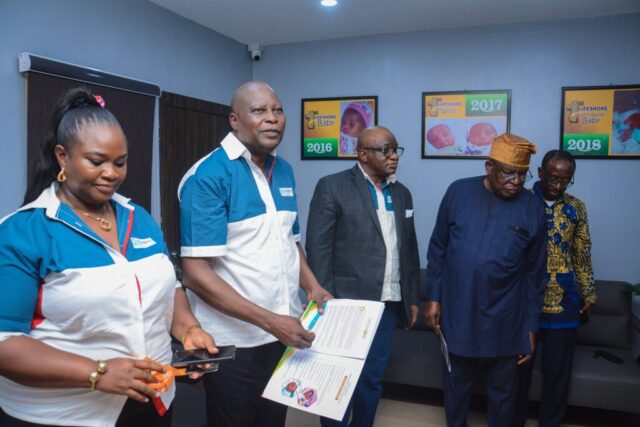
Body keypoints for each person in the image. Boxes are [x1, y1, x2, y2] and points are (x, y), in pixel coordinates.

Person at [0, 87, 216, 427]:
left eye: (120, 162)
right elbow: (5, 342)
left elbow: (168, 288)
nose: (112, 173)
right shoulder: (23, 231)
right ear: (62, 156)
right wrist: (96, 372)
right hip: (65, 415)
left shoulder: (139, 217)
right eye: (96, 161)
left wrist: (189, 329)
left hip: (152, 401)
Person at [178, 81, 332, 427]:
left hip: (282, 334)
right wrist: (271, 321)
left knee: (272, 421)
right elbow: (195, 275)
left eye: (277, 111)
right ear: (235, 120)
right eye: (259, 111)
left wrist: (312, 286)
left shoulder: (284, 170)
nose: (272, 118)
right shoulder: (208, 176)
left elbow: (289, 240)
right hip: (233, 345)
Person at [424, 133, 547, 427]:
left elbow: (535, 274)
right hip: (460, 309)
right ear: (489, 167)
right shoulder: (458, 192)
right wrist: (433, 296)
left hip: (507, 316)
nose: (516, 182)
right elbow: (438, 247)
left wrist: (531, 326)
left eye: (522, 175)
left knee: (503, 394)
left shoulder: (533, 207)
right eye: (509, 173)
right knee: (456, 387)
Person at [306, 126, 421, 427]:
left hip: (388, 302)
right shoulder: (332, 186)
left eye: (396, 149)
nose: (394, 156)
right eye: (386, 150)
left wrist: (412, 297)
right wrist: (324, 297)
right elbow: (318, 247)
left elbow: (409, 249)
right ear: (363, 154)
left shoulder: (402, 193)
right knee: (337, 375)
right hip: (345, 301)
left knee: (372, 376)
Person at [513, 150, 596, 427]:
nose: (558, 185)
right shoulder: (520, 202)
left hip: (564, 303)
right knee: (518, 369)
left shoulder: (577, 207)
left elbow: (581, 253)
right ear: (540, 173)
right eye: (552, 178)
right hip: (523, 302)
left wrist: (588, 291)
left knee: (557, 373)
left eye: (565, 180)